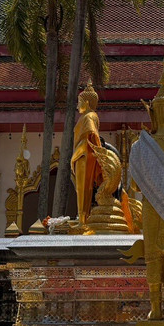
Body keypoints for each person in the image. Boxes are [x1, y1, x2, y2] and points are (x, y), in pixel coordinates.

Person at [71, 80, 102, 226]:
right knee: (80, 188)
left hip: (85, 153)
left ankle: (83, 219)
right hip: (82, 153)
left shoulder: (89, 116)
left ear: (87, 103)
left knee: (83, 187)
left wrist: (99, 153)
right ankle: (82, 217)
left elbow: (93, 135)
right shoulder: (87, 116)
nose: (78, 106)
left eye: (80, 102)